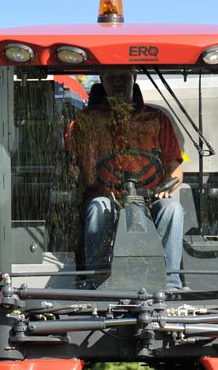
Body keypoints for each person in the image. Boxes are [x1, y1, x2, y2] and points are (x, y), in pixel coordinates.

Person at [68, 69, 186, 290]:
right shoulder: (86, 122)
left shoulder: (157, 119)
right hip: (105, 197)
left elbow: (176, 169)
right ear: (102, 81)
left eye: (123, 77)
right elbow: (71, 165)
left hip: (149, 199)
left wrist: (165, 187)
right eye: (112, 77)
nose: (118, 82)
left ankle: (170, 284)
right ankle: (97, 283)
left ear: (134, 78)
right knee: (97, 208)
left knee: (173, 210)